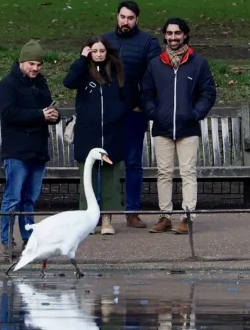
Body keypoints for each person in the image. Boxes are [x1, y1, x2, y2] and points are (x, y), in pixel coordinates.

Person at [141, 18, 216, 234]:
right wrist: (154, 112)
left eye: (177, 33)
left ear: (185, 35)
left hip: (188, 128)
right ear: (165, 36)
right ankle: (165, 216)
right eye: (169, 33)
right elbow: (146, 92)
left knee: (188, 172)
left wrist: (195, 113)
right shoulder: (156, 64)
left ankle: (186, 217)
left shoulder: (198, 63)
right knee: (164, 173)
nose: (173, 37)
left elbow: (208, 92)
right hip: (162, 127)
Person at [0, 40, 61, 259]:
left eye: (39, 64)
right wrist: (40, 115)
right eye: (32, 63)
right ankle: (6, 241)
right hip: (17, 150)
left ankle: (28, 238)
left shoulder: (41, 83)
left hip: (38, 148)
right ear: (22, 62)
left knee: (30, 198)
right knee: (12, 198)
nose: (35, 68)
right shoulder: (7, 84)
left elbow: (47, 109)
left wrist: (54, 116)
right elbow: (8, 114)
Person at [63, 35, 130, 235]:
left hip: (112, 133)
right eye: (94, 51)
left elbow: (126, 97)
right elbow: (69, 82)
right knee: (87, 178)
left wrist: (117, 113)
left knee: (111, 178)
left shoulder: (116, 71)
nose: (98, 55)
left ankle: (107, 219)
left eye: (102, 51)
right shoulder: (83, 71)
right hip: (87, 133)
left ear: (107, 52)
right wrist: (82, 60)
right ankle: (87, 220)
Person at [104, 1, 161, 229]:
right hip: (108, 112)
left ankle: (133, 211)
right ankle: (103, 213)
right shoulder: (105, 41)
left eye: (130, 18)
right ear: (116, 17)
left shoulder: (148, 43)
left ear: (137, 19)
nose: (125, 22)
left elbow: (154, 76)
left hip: (134, 112)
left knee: (133, 162)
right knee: (105, 162)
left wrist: (141, 104)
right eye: (122, 17)